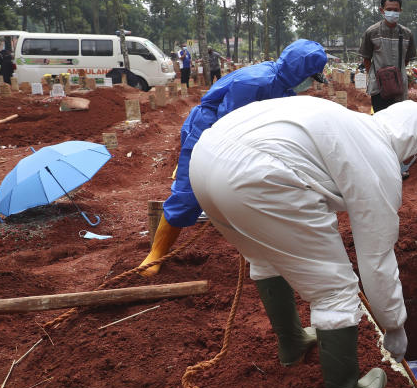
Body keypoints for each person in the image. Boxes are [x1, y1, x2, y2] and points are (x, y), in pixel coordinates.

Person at [189, 98, 417, 388]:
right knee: (335, 290)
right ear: (413, 143)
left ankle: (291, 344)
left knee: (266, 256)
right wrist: (394, 325)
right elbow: (377, 258)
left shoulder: (352, 124)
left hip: (205, 159)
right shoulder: (379, 155)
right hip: (258, 175)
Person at [139, 39, 328, 280]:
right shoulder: (255, 82)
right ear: (300, 71)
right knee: (189, 194)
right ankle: (156, 254)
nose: (310, 83)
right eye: (310, 76)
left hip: (244, 137)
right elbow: (227, 124)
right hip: (209, 130)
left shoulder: (283, 85)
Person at [360, 0, 416, 112]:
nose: (392, 12)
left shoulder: (407, 34)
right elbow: (366, 59)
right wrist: (377, 76)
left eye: (396, 10)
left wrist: (395, 74)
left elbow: (406, 59)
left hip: (399, 87)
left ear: (400, 11)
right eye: (389, 9)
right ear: (382, 10)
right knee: (381, 122)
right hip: (379, 88)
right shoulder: (372, 32)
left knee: (399, 120)